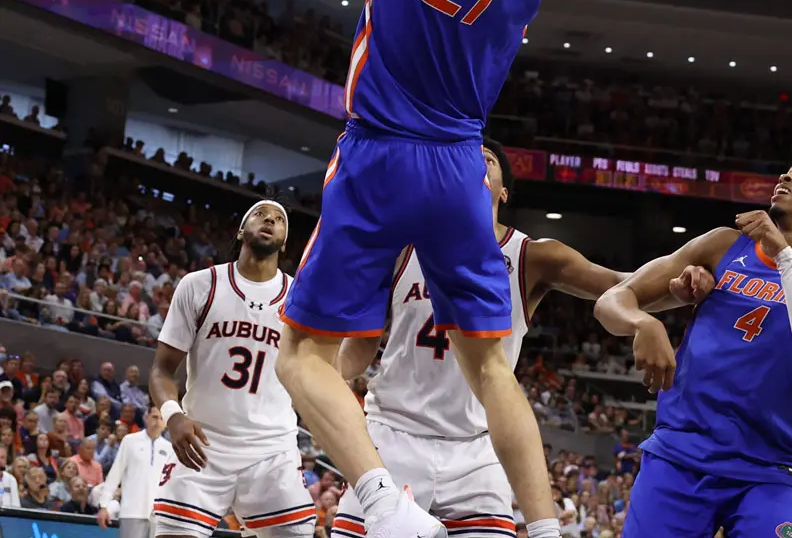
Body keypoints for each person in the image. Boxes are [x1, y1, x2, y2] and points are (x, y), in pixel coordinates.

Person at [278, 0, 593, 538]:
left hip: (380, 151)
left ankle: (382, 505)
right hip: (462, 167)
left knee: (300, 357)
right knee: (494, 369)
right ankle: (550, 528)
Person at [332, 140, 622, 538]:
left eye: (487, 159)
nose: (476, 161)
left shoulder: (530, 256)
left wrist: (687, 281)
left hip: (478, 449)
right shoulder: (402, 245)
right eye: (468, 156)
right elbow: (362, 345)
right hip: (393, 434)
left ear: (503, 191)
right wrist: (314, 374)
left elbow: (623, 286)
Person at [595, 159, 792, 538]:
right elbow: (613, 299)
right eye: (787, 172)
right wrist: (644, 322)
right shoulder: (723, 244)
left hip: (772, 469)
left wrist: (784, 257)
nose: (786, 177)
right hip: (682, 453)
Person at [149, 201, 315, 538]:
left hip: (272, 449)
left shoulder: (301, 299)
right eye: (259, 214)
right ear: (241, 231)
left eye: (279, 218)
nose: (269, 219)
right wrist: (173, 416)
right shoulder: (200, 285)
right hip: (202, 442)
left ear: (284, 243)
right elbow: (161, 371)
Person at [98, 406, 173, 538]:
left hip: (159, 516)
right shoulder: (130, 441)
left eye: (162, 419)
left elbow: (171, 484)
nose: (158, 421)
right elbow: (115, 474)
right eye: (155, 417)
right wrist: (104, 505)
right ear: (146, 418)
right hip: (131, 512)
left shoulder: (169, 448)